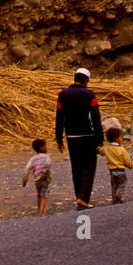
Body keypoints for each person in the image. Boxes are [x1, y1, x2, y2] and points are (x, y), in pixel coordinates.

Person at [55, 67, 104, 209]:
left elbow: (59, 118)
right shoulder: (90, 95)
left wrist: (59, 139)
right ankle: (83, 198)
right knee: (89, 167)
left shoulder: (62, 95)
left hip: (71, 137)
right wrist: (100, 138)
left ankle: (79, 197)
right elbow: (95, 117)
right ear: (87, 80)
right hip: (88, 136)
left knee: (76, 168)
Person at [98, 125, 133, 204]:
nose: (121, 139)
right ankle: (118, 196)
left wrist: (98, 147)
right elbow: (126, 161)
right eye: (120, 137)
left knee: (114, 185)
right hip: (120, 169)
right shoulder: (121, 149)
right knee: (122, 183)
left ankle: (115, 199)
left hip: (112, 170)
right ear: (116, 139)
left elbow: (100, 151)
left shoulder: (107, 148)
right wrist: (131, 165)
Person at [21, 139, 52, 216]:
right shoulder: (46, 156)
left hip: (36, 179)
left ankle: (39, 210)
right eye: (45, 146)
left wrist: (25, 179)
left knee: (39, 194)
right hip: (44, 178)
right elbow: (48, 164)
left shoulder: (33, 159)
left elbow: (27, 168)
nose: (46, 148)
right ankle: (41, 213)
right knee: (43, 195)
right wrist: (44, 170)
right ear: (41, 148)